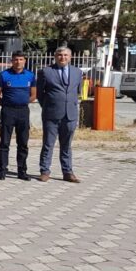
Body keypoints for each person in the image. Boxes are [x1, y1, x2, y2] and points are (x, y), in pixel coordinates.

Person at [37, 47, 82, 183]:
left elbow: (77, 91)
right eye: (60, 55)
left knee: (66, 145)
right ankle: (45, 171)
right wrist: (48, 106)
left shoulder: (77, 72)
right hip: (51, 114)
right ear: (55, 57)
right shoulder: (46, 72)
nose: (63, 57)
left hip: (70, 114)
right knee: (48, 144)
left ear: (70, 57)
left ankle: (67, 172)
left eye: (65, 55)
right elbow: (40, 94)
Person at [0, 52, 36, 181]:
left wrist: (22, 102)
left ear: (25, 61)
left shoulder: (30, 75)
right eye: (16, 59)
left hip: (23, 112)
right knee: (5, 142)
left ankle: (22, 171)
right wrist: (7, 105)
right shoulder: (4, 75)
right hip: (8, 112)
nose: (18, 62)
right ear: (12, 61)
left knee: (23, 143)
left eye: (21, 59)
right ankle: (2, 170)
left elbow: (34, 95)